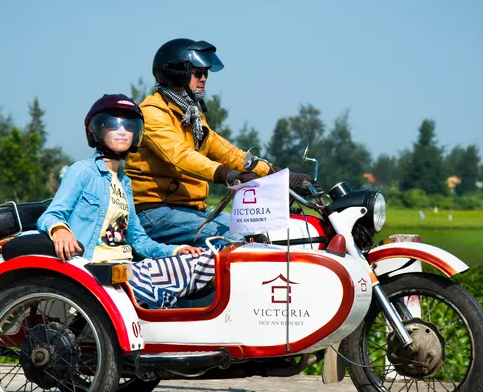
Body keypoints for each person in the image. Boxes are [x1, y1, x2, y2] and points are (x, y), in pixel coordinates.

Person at [125, 38, 311, 246]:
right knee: (234, 241)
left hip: (191, 209)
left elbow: (228, 153)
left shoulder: (192, 117)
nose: (204, 79)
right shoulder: (152, 113)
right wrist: (229, 175)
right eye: (198, 73)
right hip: (155, 212)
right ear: (176, 73)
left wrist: (277, 174)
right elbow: (181, 157)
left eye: (206, 73)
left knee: (257, 232)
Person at [36, 94, 216, 309]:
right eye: (113, 125)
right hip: (97, 272)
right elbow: (51, 214)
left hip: (127, 269)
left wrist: (175, 251)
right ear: (97, 130)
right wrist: (59, 230)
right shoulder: (82, 171)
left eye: (129, 126)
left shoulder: (124, 182)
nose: (122, 131)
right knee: (179, 282)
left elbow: (138, 240)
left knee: (209, 260)